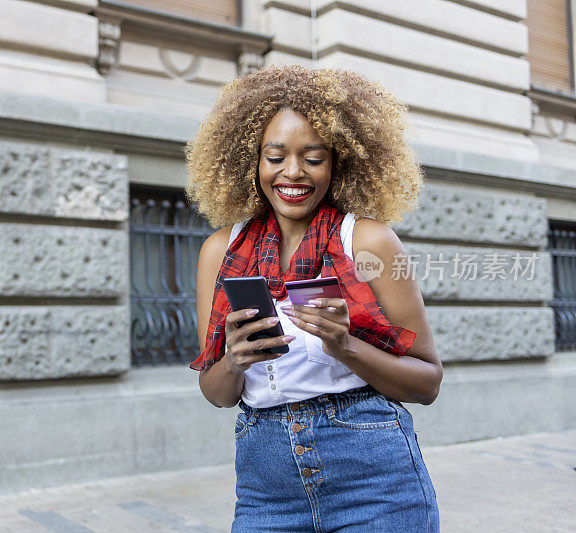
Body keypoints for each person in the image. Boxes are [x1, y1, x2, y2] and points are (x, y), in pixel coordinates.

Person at [185, 65, 443, 532]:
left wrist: (345, 346)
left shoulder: (369, 242)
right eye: (275, 155)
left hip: (373, 479)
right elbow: (217, 394)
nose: (293, 172)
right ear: (253, 162)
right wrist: (235, 359)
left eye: (314, 157)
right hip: (266, 486)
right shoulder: (220, 253)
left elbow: (426, 382)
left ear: (338, 163)